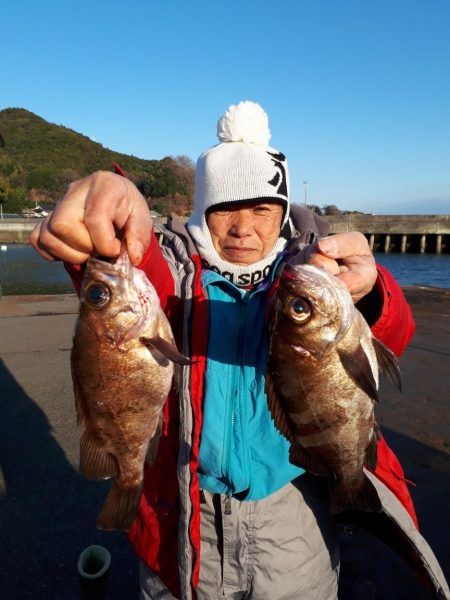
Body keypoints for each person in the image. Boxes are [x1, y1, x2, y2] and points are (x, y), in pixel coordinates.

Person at [31, 101, 446, 599]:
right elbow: (122, 287)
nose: (243, 227)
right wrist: (110, 200)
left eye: (262, 208)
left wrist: (371, 291)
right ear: (203, 208)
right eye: (226, 207)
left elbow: (391, 336)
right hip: (185, 513)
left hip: (294, 513)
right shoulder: (171, 276)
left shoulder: (309, 274)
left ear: (283, 211)